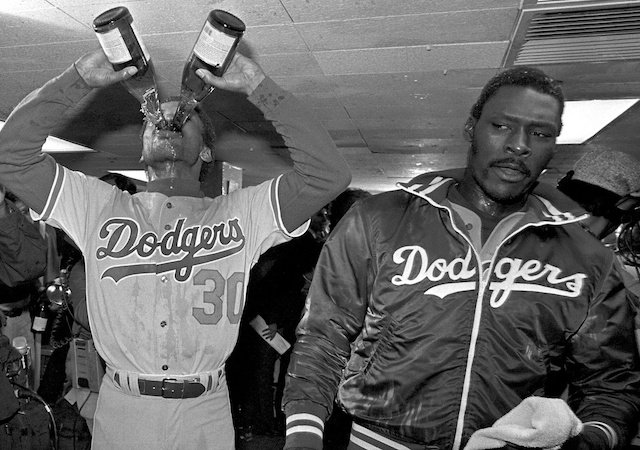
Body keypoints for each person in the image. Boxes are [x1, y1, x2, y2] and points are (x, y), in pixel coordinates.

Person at [0, 44, 350, 450]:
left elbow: (329, 174)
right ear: (143, 146)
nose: (166, 120)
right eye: (154, 121)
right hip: (123, 410)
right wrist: (79, 78)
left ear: (205, 149)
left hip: (206, 412)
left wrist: (257, 85)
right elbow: (10, 158)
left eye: (184, 118)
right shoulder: (96, 205)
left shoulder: (244, 211)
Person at [283, 66, 640, 450]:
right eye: (502, 126)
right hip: (379, 440)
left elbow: (613, 383)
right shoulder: (378, 221)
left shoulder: (587, 258)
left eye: (540, 133)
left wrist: (594, 438)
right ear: (471, 128)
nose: (519, 145)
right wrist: (304, 432)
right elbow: (324, 333)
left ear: (553, 146)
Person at [227, 206, 331, 442]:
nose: (324, 219)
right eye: (320, 215)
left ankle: (267, 420)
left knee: (269, 372)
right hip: (272, 320)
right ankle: (263, 421)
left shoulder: (298, 242)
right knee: (264, 372)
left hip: (279, 319)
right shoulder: (299, 244)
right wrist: (274, 320)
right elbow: (279, 284)